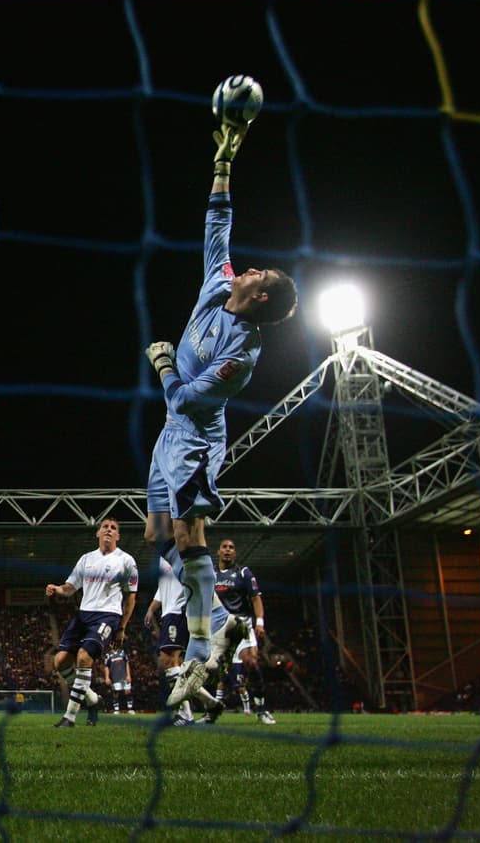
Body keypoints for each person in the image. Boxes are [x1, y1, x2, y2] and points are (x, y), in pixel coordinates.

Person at [143, 114, 298, 708]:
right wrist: (224, 161)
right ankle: (218, 627)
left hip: (197, 439)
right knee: (159, 537)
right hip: (168, 433)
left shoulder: (242, 355)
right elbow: (217, 222)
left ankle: (203, 650)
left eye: (262, 273)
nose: (251, 267)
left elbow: (185, 397)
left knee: (189, 535)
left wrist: (161, 363)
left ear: (259, 296)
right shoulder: (219, 281)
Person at [46, 516, 138, 728]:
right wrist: (57, 589)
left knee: (84, 657)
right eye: (105, 526)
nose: (108, 530)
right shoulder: (86, 559)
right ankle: (92, 699)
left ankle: (69, 717)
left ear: (118, 536)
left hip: (108, 615)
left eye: (113, 528)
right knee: (60, 662)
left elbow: (131, 596)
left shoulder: (126, 561)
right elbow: (70, 587)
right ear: (97, 533)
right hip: (84, 614)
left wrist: (122, 627)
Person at [143, 554, 234, 726]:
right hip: (169, 612)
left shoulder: (182, 548)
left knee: (168, 660)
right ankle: (211, 704)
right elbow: (164, 587)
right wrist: (151, 607)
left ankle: (185, 715)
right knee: (172, 664)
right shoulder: (164, 556)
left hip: (179, 610)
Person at [213, 538, 276, 725]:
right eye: (224, 547)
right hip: (219, 627)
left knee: (252, 664)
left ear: (235, 553)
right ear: (218, 551)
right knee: (211, 672)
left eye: (231, 547)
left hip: (241, 624)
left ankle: (261, 709)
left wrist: (260, 622)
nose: (227, 550)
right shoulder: (211, 574)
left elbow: (256, 598)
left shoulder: (243, 572)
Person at [102, 646, 135, 714]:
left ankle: (130, 709)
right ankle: (116, 710)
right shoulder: (108, 655)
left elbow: (127, 663)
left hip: (124, 675)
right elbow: (106, 667)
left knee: (128, 691)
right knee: (115, 693)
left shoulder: (122, 652)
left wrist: (128, 675)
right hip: (115, 676)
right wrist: (107, 677)